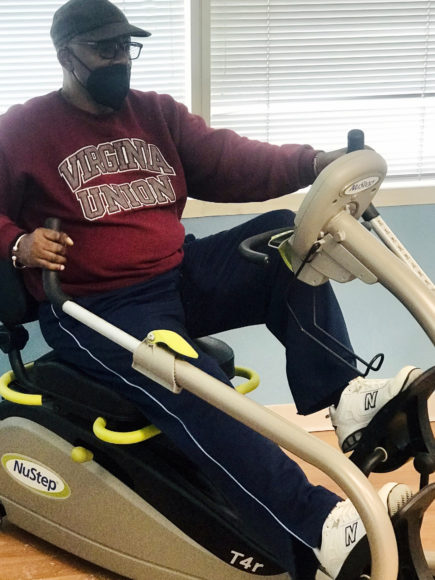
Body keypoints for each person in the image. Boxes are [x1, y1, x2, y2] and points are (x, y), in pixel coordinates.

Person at [0, 0, 418, 577]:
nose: (121, 60)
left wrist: (316, 162)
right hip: (93, 306)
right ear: (66, 55)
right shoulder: (23, 129)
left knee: (283, 240)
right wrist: (17, 245)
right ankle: (317, 525)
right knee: (193, 383)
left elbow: (230, 160)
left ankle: (344, 396)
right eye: (106, 50)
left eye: (128, 48)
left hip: (178, 275)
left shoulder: (156, 114)